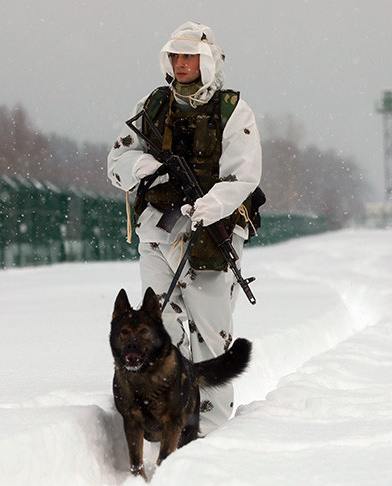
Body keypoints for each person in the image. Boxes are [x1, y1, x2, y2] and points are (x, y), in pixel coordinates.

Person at [107, 21, 262, 434]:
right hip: (157, 230)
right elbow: (117, 161)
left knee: (212, 329)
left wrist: (208, 205)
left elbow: (244, 175)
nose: (181, 64)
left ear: (207, 61)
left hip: (214, 233)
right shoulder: (153, 106)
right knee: (163, 326)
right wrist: (148, 168)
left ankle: (208, 427)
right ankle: (170, 416)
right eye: (175, 56)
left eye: (190, 56)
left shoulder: (233, 111)